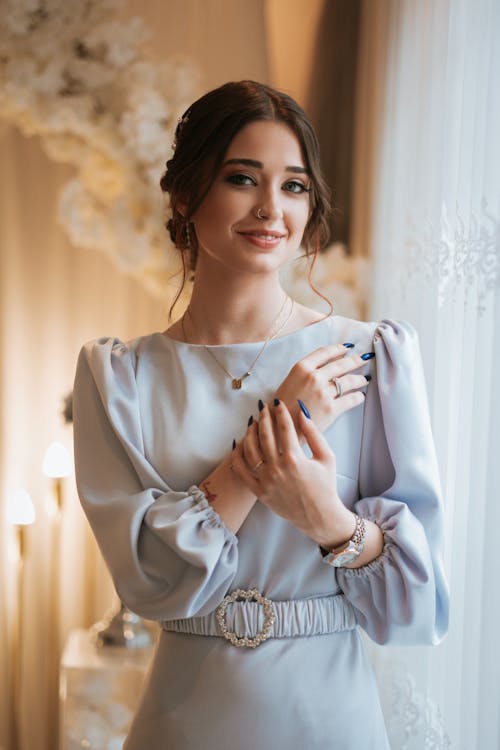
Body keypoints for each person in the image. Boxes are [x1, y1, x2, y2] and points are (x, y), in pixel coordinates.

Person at [73, 80, 449, 749]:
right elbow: (150, 584)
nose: (272, 208)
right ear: (186, 194)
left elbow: (417, 609)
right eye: (242, 178)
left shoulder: (369, 356)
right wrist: (277, 429)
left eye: (295, 186)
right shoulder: (121, 379)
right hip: (185, 720)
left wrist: (327, 520)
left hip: (331, 718)